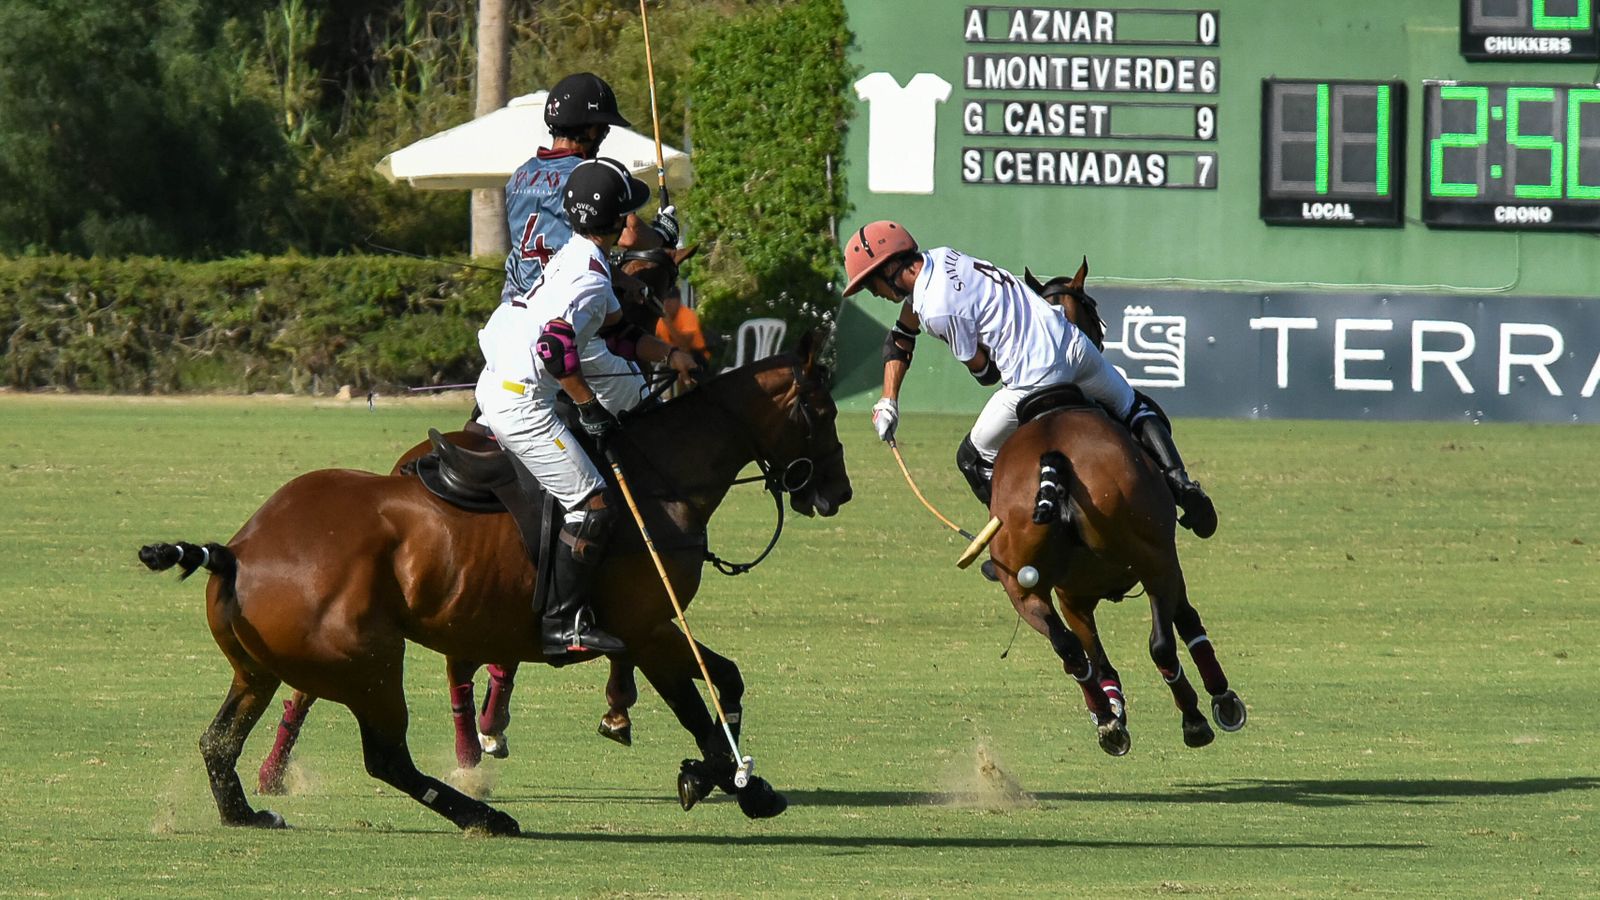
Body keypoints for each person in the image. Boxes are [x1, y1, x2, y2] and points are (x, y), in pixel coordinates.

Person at [841, 220, 1218, 539]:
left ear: (891, 269)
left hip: (1034, 378)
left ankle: (1016, 538)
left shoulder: (938, 310)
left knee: (972, 458)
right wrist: (888, 399)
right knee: (1131, 406)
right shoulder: (942, 256)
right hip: (1074, 346)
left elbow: (986, 374)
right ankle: (1182, 484)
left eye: (871, 283)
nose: (874, 293)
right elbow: (902, 335)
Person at [475, 158, 700, 660]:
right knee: (594, 503)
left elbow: (618, 333)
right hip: (522, 402)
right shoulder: (590, 280)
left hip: (501, 384)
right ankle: (562, 623)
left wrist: (671, 355)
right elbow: (556, 348)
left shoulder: (576, 257)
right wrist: (587, 404)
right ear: (619, 223)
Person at [501, 72, 679, 305]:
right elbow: (629, 234)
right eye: (604, 128)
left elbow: (566, 248)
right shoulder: (584, 177)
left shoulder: (520, 175)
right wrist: (662, 234)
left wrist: (623, 280)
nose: (605, 134)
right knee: (634, 337)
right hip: (560, 310)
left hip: (512, 308)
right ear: (592, 130)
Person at [654, 285, 711, 370]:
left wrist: (668, 322)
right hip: (673, 357)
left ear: (678, 301)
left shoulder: (688, 315)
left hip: (697, 359)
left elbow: (684, 345)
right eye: (664, 299)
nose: (666, 303)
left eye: (670, 299)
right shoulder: (660, 320)